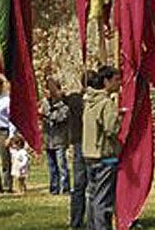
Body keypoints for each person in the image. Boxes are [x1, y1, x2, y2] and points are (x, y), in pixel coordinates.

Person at [83, 65, 120, 230]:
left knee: (91, 197)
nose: (119, 83)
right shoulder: (106, 103)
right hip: (105, 156)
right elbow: (111, 129)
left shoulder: (89, 101)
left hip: (89, 153)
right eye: (116, 80)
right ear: (106, 81)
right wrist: (119, 117)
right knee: (102, 200)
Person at [40, 78, 71, 195]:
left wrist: (46, 114)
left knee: (61, 165)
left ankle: (65, 188)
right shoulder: (45, 103)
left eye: (49, 90)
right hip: (48, 139)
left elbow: (61, 117)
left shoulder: (64, 104)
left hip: (59, 139)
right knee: (52, 166)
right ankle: (54, 188)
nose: (46, 93)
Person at [65, 78, 87, 228]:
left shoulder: (75, 99)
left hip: (84, 144)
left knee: (81, 186)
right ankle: (77, 221)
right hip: (82, 144)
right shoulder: (75, 99)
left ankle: (77, 221)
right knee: (81, 186)